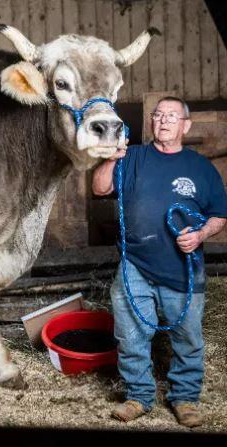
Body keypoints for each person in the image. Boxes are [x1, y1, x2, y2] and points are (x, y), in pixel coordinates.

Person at [92, 96, 227, 428]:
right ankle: (138, 396)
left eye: (171, 116)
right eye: (158, 115)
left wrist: (199, 235)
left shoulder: (201, 168)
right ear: (152, 122)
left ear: (186, 125)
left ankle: (184, 399)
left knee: (188, 337)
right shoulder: (133, 157)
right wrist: (112, 159)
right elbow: (99, 188)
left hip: (183, 268)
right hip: (135, 265)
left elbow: (219, 215)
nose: (163, 120)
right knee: (130, 335)